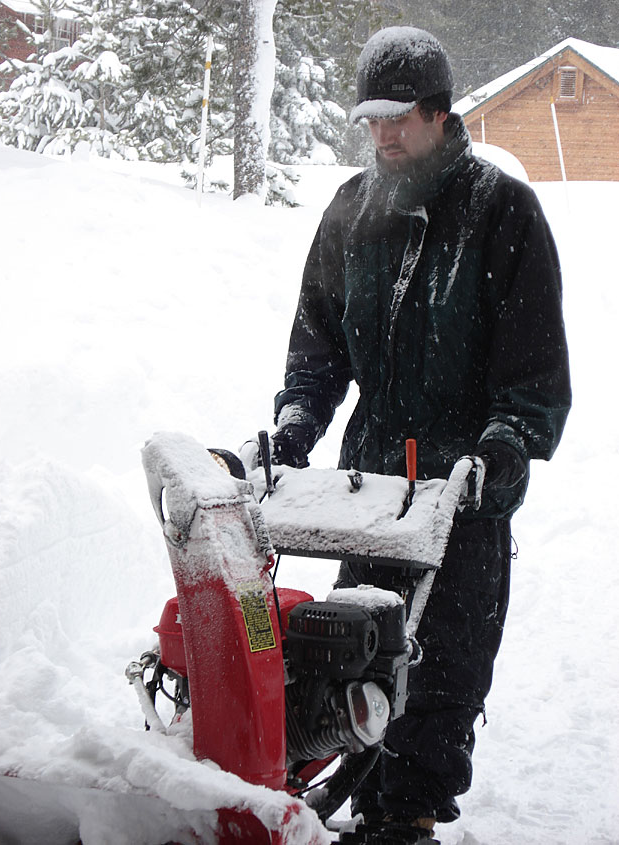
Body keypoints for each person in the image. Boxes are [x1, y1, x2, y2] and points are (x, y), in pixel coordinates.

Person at [268, 26, 571, 844]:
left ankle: (405, 815)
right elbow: (318, 347)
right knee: (353, 648)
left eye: (399, 118)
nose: (383, 134)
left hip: (461, 492)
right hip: (372, 488)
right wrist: (297, 422)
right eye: (371, 119)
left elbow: (536, 376)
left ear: (440, 114)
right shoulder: (350, 210)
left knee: (440, 669)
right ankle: (354, 776)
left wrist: (506, 443)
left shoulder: (501, 210)